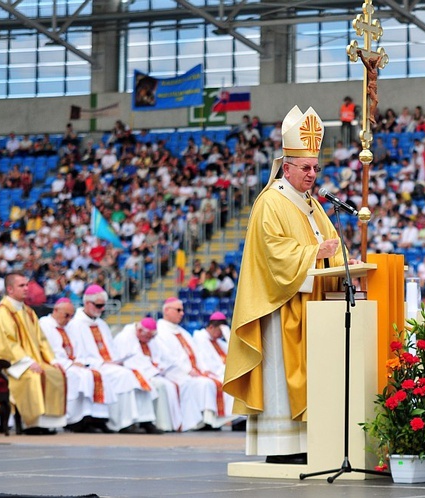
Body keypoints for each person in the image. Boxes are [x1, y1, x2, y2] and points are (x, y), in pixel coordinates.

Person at [224, 105, 353, 465]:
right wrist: (316, 253)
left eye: (316, 168)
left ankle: (309, 442)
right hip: (278, 307)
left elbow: (331, 244)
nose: (312, 174)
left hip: (310, 306)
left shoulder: (314, 204)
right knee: (281, 377)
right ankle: (281, 448)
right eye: (306, 168)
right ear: (286, 167)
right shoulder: (271, 201)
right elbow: (275, 254)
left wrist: (345, 262)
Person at [66, 284, 160, 434]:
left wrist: (118, 360)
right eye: (99, 305)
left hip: (109, 364)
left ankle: (145, 420)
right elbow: (77, 353)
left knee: (138, 374)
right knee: (124, 375)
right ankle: (122, 423)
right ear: (87, 303)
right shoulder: (75, 324)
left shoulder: (101, 324)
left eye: (103, 305)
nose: (102, 309)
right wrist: (101, 362)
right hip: (93, 365)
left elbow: (112, 350)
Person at [0, 272, 66, 434]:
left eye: (27, 285)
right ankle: (30, 423)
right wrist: (28, 363)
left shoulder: (29, 312)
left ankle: (45, 423)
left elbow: (41, 340)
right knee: (32, 377)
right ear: (10, 289)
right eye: (21, 286)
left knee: (55, 373)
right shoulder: (1, 313)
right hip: (11, 364)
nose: (26, 288)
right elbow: (6, 344)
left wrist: (51, 360)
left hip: (32, 361)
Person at [157, 298, 235, 431]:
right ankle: (201, 421)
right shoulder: (160, 331)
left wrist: (202, 370)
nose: (182, 313)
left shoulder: (183, 332)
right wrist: (188, 370)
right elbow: (167, 357)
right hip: (174, 373)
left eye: (182, 310)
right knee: (206, 383)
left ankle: (211, 420)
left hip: (193, 372)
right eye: (178, 310)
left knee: (211, 381)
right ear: (166, 310)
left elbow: (197, 355)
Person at [40, 298, 111, 433]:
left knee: (93, 374)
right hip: (58, 365)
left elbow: (78, 348)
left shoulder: (69, 326)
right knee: (77, 376)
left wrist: (79, 361)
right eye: (66, 315)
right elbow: (49, 351)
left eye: (71, 316)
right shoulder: (44, 325)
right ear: (55, 310)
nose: (69, 319)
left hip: (72, 364)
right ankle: (72, 420)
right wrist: (70, 363)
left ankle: (90, 418)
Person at [114, 317, 178, 433]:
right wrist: (151, 370)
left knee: (166, 384)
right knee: (153, 384)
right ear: (139, 331)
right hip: (129, 371)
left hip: (147, 372)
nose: (148, 341)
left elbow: (160, 356)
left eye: (151, 338)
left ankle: (158, 422)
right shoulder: (125, 338)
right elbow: (128, 360)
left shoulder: (148, 339)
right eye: (147, 337)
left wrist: (158, 366)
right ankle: (139, 422)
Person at [193, 312, 246, 430]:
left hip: (220, 372)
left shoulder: (220, 342)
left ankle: (238, 418)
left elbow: (234, 352)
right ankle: (229, 419)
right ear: (211, 327)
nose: (220, 335)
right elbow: (205, 362)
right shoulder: (200, 338)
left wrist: (227, 335)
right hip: (211, 372)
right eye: (219, 331)